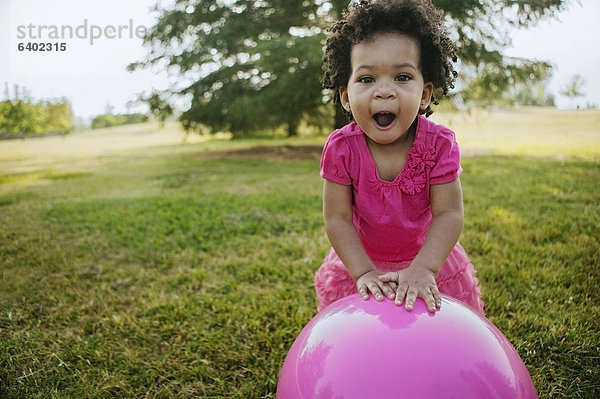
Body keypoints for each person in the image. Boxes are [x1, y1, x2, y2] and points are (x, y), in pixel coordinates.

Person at [314, 0, 485, 316]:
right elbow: (337, 218)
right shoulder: (341, 148)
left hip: (427, 258)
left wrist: (425, 269)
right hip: (362, 260)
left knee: (435, 341)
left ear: (424, 93)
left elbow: (449, 212)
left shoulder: (440, 145)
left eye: (402, 77)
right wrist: (364, 272)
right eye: (367, 79)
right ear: (345, 96)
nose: (384, 91)